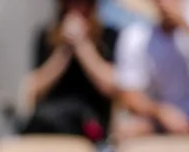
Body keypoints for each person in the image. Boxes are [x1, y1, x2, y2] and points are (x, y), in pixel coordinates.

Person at [114, 0, 189, 135]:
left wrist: (186, 24)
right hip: (163, 116)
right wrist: (159, 111)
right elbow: (130, 95)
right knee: (127, 131)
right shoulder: (136, 35)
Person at [23, 0, 119, 137]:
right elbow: (34, 89)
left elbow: (112, 87)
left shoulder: (109, 35)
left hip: (90, 121)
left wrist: (83, 46)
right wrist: (63, 51)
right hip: (50, 119)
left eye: (82, 3)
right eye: (69, 2)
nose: (75, 8)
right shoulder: (46, 35)